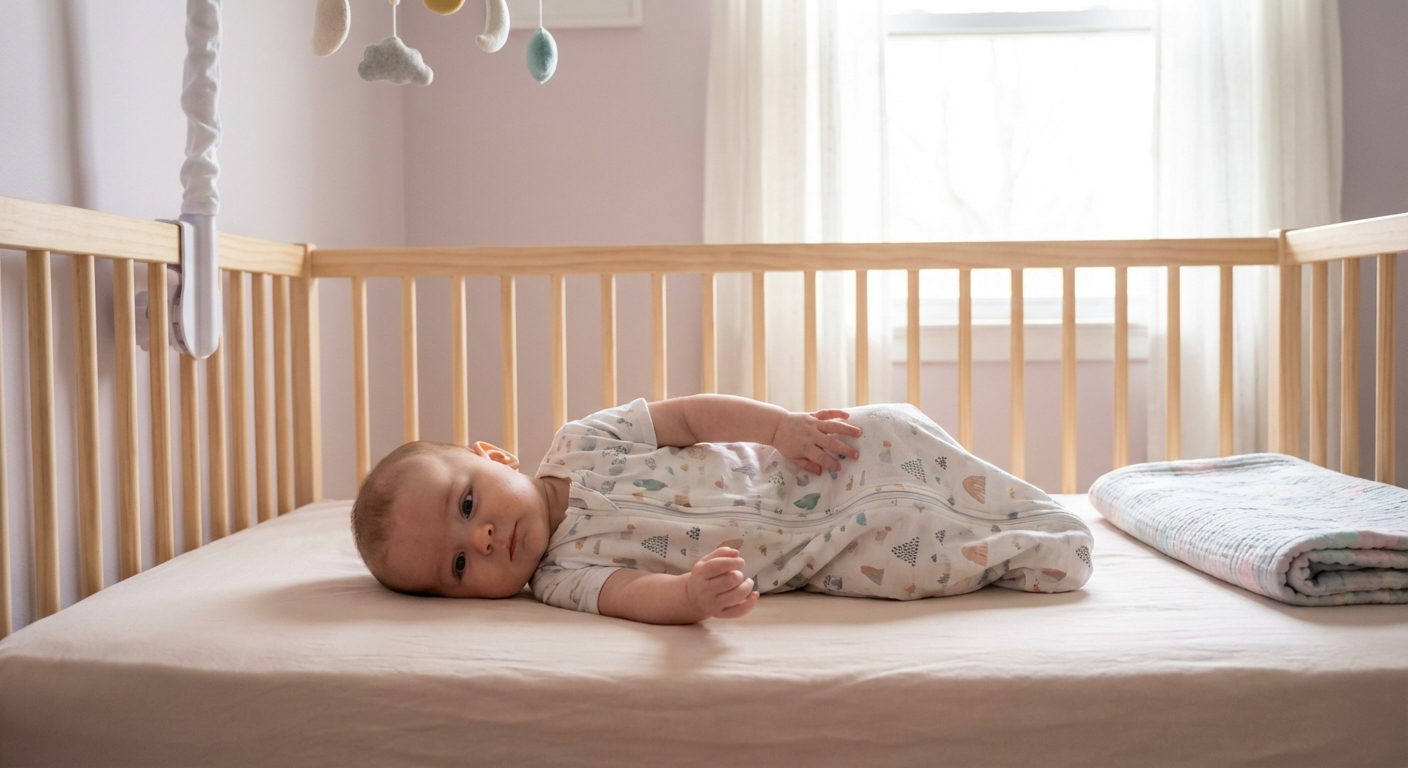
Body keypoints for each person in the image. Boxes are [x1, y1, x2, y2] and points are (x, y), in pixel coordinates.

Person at [351, 395, 1093, 625]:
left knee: (888, 429)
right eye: (455, 565)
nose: (480, 538)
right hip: (821, 553)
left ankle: (1025, 508)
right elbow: (636, 596)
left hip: (799, 470)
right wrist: (686, 595)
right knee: (917, 561)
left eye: (468, 502)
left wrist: (781, 429)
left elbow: (691, 418)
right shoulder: (561, 579)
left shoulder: (583, 442)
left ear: (496, 456)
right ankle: (1041, 548)